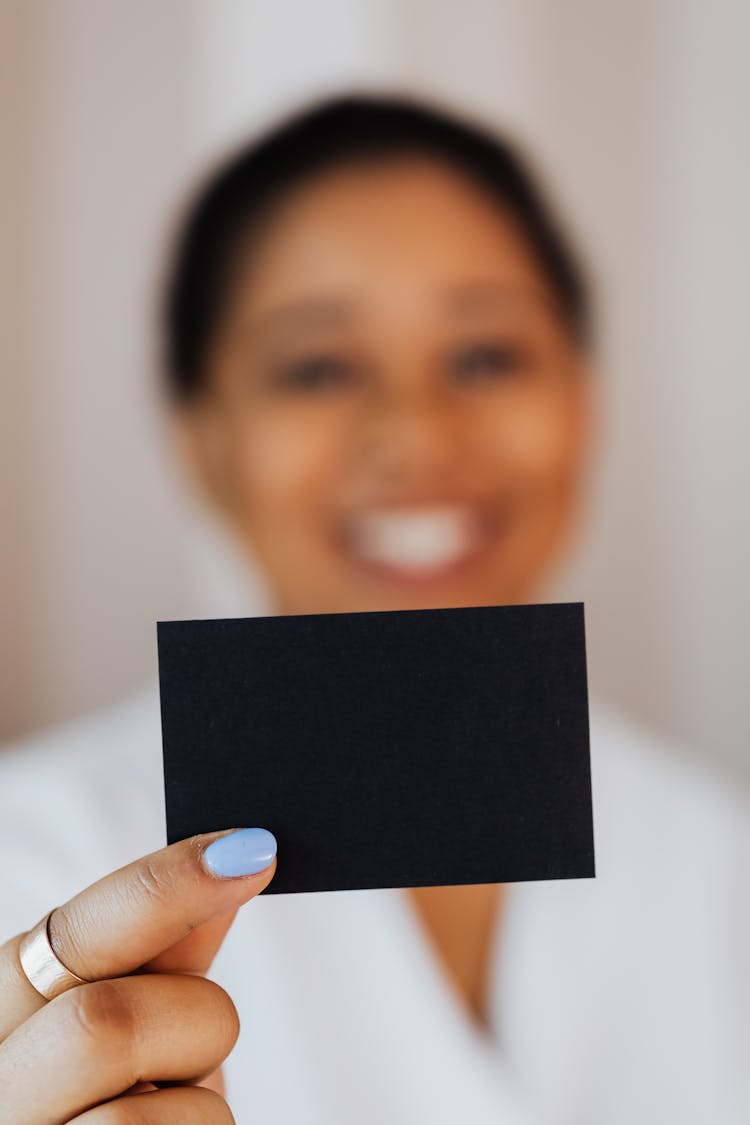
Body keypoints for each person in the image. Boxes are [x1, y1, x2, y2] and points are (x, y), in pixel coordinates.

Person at [0, 95, 747, 1124]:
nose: (415, 434)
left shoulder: (716, 854)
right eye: (319, 367)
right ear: (202, 437)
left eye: (486, 355)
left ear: (584, 399)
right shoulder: (29, 854)